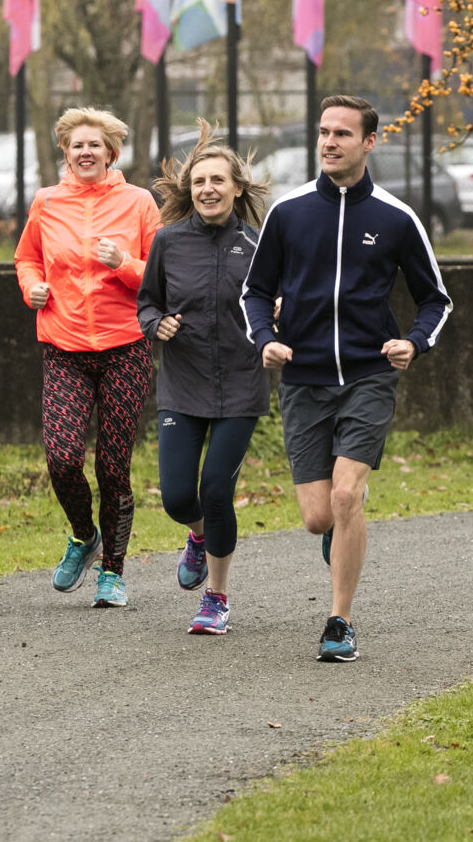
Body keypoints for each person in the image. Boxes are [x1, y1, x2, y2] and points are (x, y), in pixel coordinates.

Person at [241, 95, 451, 661]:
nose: (329, 142)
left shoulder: (394, 217)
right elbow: (254, 292)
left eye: (342, 134)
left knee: (345, 494)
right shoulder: (288, 212)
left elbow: (437, 299)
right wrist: (266, 340)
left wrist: (414, 341)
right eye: (323, 132)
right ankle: (342, 530)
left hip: (367, 375)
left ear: (369, 143)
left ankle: (340, 622)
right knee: (317, 518)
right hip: (304, 380)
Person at [15, 106, 160, 606]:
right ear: (65, 153)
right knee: (61, 458)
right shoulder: (46, 203)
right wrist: (32, 285)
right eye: (76, 145)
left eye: (94, 144)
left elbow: (159, 278)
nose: (85, 152)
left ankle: (113, 573)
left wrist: (124, 263)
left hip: (126, 347)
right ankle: (83, 535)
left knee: (114, 469)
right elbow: (27, 257)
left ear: (111, 153)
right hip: (64, 347)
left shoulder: (139, 203)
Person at [136, 124, 271, 636]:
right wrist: (157, 324)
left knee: (216, 489)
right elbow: (147, 301)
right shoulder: (168, 241)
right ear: (188, 190)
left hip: (240, 384)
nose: (207, 189)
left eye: (217, 180)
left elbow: (279, 301)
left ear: (237, 187)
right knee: (176, 497)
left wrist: (277, 314)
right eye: (198, 182)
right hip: (183, 383)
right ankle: (197, 536)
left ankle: (216, 598)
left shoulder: (259, 245)